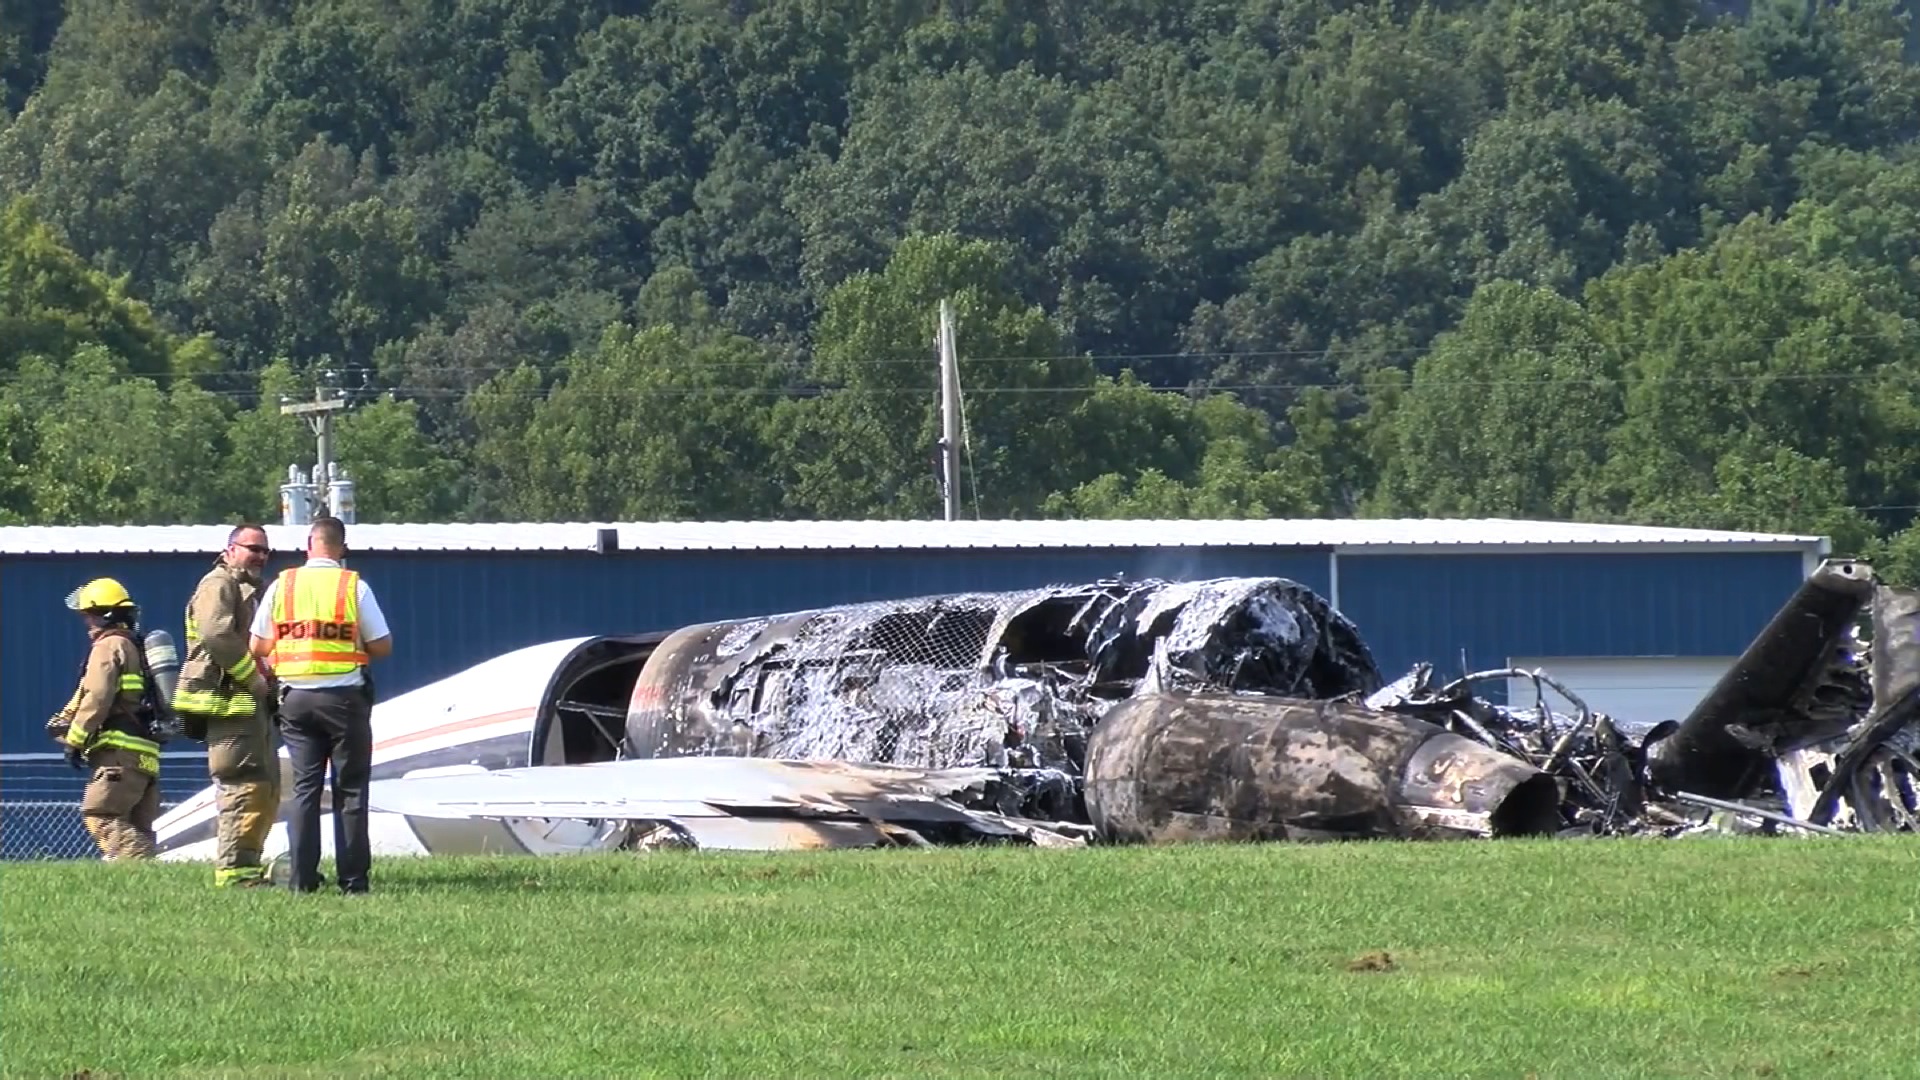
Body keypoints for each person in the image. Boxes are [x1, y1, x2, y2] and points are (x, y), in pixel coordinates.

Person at [249, 516, 391, 894]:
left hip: (295, 701)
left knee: (306, 791)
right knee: (351, 791)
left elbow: (257, 645)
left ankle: (302, 880)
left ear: (309, 545)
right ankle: (353, 882)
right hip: (344, 700)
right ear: (341, 548)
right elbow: (382, 645)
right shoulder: (353, 586)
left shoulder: (283, 586)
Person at [175, 522, 280, 887]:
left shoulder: (250, 589)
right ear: (231, 549)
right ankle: (234, 872)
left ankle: (247, 868)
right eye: (253, 548)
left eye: (265, 551)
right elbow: (216, 634)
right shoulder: (218, 584)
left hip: (248, 703)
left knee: (263, 784)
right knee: (243, 782)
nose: (261, 556)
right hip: (227, 700)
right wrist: (254, 678)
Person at [45, 578, 164, 860]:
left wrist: (75, 740)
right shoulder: (135, 647)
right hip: (145, 756)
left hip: (118, 754)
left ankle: (139, 870)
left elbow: (97, 695)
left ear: (104, 615)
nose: (87, 622)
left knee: (101, 814)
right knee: (137, 826)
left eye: (89, 615)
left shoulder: (109, 646)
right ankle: (144, 890)